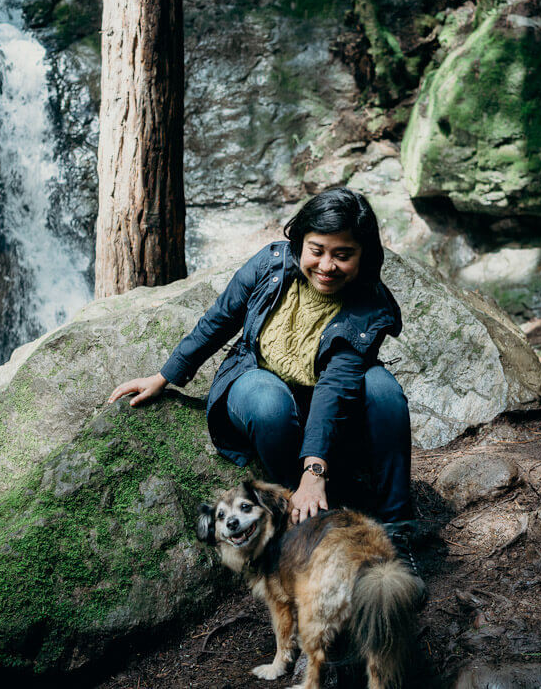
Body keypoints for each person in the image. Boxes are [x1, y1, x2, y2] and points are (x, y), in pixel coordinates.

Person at [107, 188, 415, 542]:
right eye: (317, 251)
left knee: (383, 390)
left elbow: (337, 385)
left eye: (342, 255)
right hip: (258, 387)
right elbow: (220, 318)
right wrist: (164, 376)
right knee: (269, 401)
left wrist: (315, 470)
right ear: (300, 242)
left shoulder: (369, 304)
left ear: (363, 257)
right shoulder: (270, 264)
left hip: (330, 410)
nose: (327, 266)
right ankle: (297, 505)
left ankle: (397, 527)